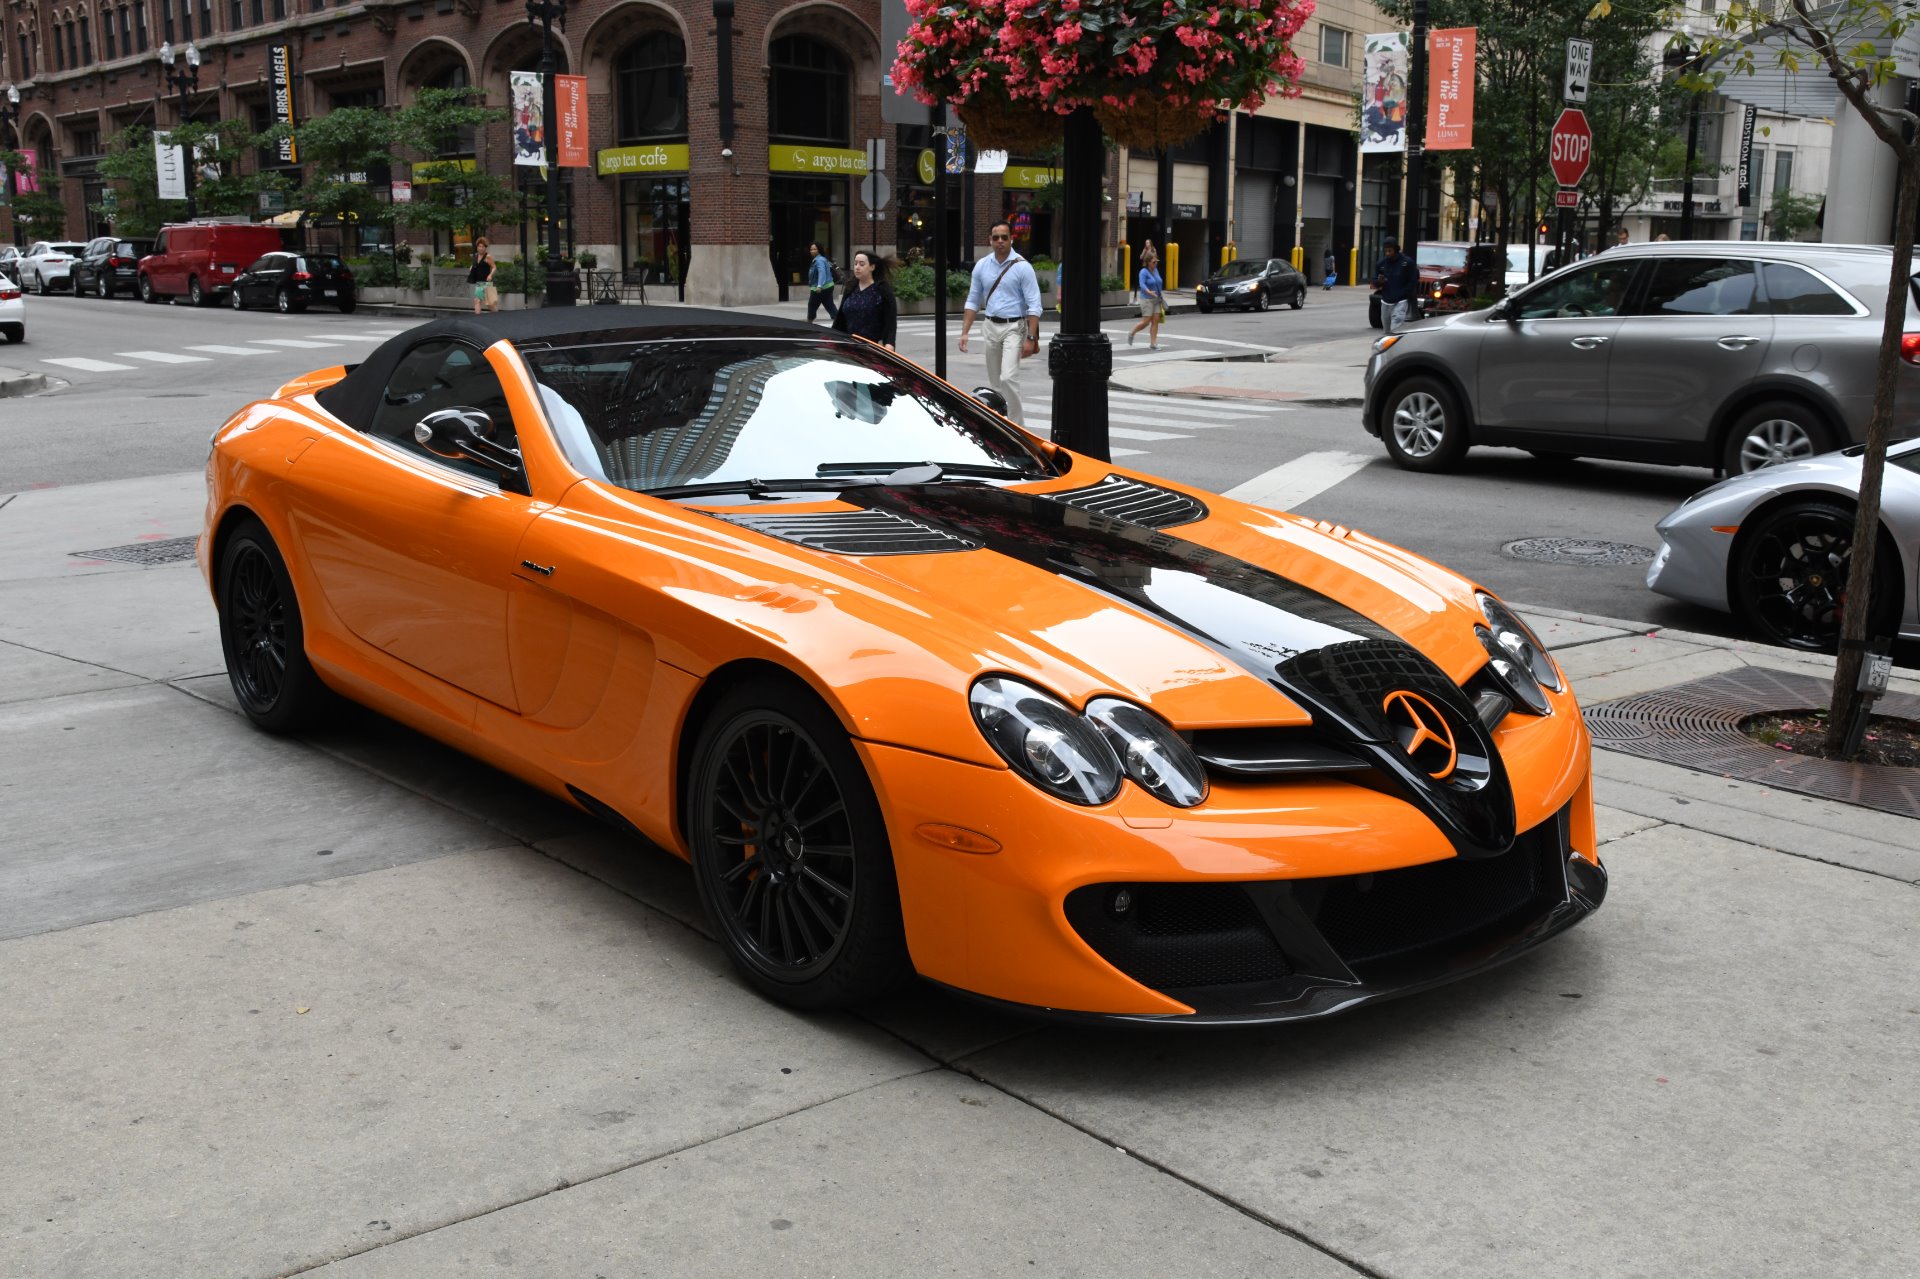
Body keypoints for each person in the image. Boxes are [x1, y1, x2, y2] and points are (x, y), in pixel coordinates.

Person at [958, 221, 1042, 423]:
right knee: (996, 383)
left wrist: (1031, 337)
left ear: (1011, 239)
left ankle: (1017, 426)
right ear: (990, 240)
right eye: (996, 237)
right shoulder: (982, 266)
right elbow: (973, 299)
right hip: (990, 325)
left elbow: (1034, 305)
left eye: (1004, 237)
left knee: (1008, 378)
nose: (1000, 241)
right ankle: (1002, 425)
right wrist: (965, 332)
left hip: (1015, 326)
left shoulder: (1023, 267)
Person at [831, 250, 896, 349]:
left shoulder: (882, 290)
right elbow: (840, 319)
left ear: (872, 267)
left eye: (862, 264)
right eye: (855, 264)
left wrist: (889, 344)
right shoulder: (850, 288)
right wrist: (832, 339)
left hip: (872, 348)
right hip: (848, 346)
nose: (857, 267)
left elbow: (890, 321)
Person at [1371, 238, 1418, 333]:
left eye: (1390, 251)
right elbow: (1374, 281)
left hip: (1400, 301)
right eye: (1386, 251)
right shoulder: (1381, 264)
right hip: (1385, 301)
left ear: (1396, 249)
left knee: (1396, 328)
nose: (1387, 253)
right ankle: (1389, 346)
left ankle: (1396, 344)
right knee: (1387, 331)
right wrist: (1379, 282)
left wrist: (1405, 293)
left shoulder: (1407, 263)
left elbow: (1413, 281)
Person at [1128, 246, 1165, 350]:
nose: (1156, 263)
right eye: (1154, 262)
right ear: (1148, 262)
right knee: (1146, 322)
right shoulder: (1143, 272)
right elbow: (1142, 284)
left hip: (1156, 299)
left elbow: (1159, 282)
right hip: (1147, 299)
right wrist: (1149, 291)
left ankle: (1153, 344)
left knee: (1155, 321)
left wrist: (1159, 294)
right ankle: (1132, 333)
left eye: (1156, 261)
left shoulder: (1156, 270)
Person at [805, 241, 838, 324]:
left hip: (819, 288)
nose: (812, 251)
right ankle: (840, 323)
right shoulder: (823, 259)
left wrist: (819, 285)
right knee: (829, 305)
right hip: (828, 286)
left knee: (812, 306)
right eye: (811, 249)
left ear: (819, 250)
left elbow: (822, 272)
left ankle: (809, 324)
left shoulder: (819, 260)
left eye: (814, 249)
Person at [467, 238, 496, 315]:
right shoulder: (476, 256)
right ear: (477, 247)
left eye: (482, 246)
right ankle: (478, 318)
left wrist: (490, 275)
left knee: (488, 303)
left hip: (486, 282)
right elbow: (476, 265)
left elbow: (494, 267)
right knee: (479, 301)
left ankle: (496, 315)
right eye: (479, 246)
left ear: (485, 247)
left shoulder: (488, 257)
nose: (480, 248)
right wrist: (472, 267)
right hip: (479, 282)